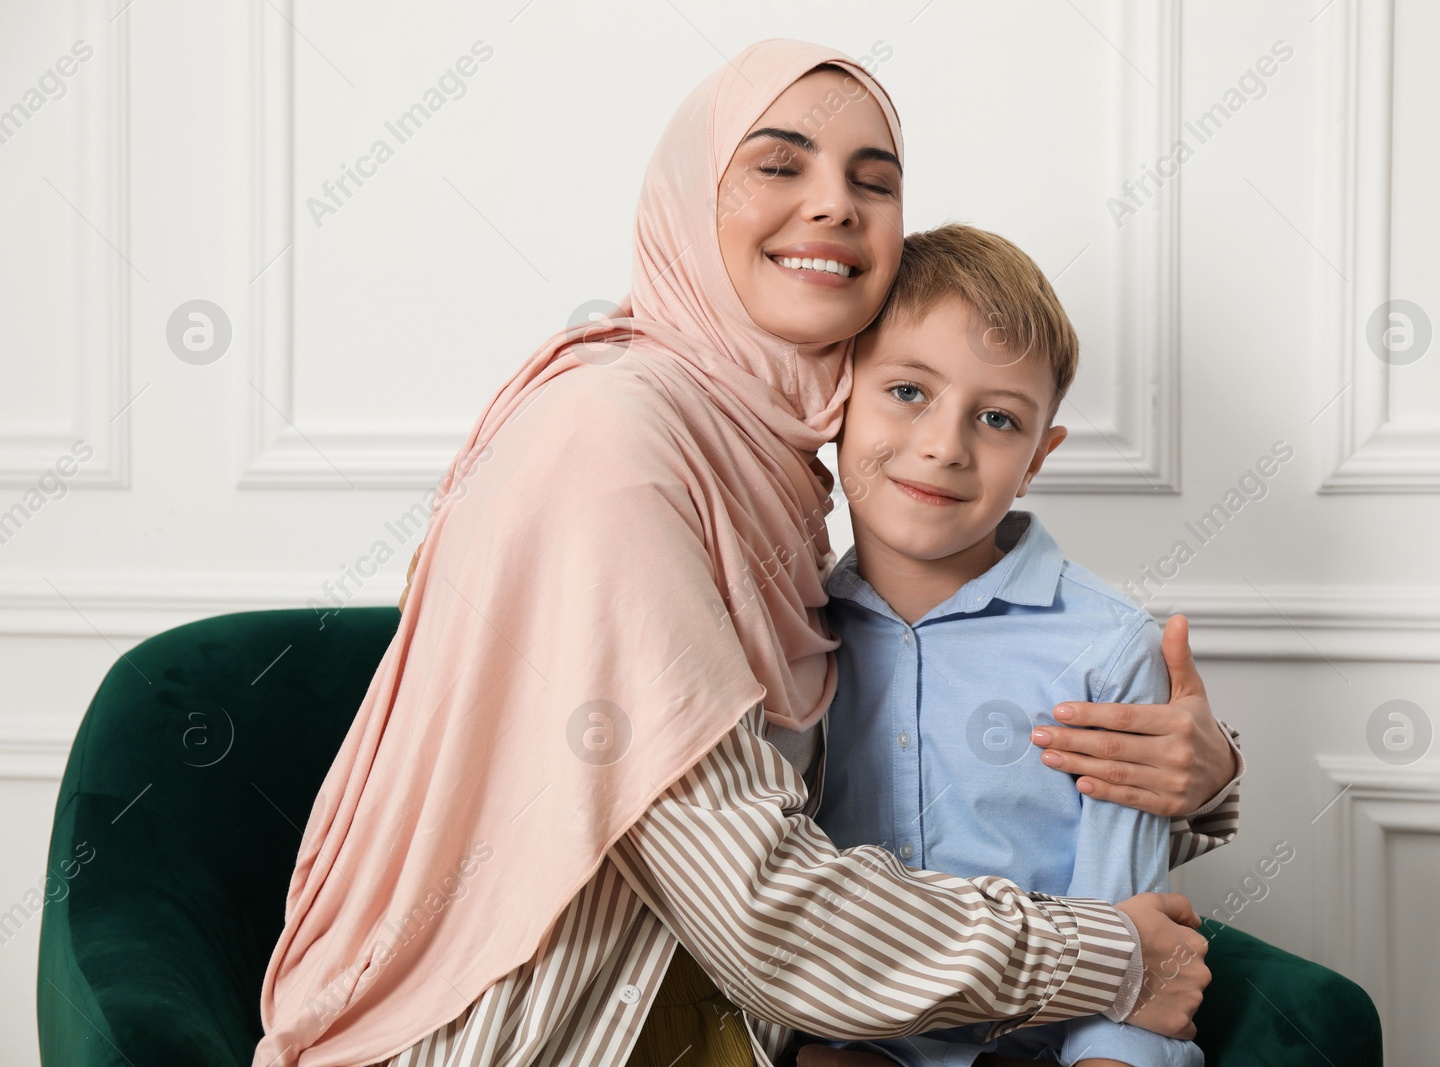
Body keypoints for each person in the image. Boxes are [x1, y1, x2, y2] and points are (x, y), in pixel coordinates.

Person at [253, 40, 1239, 1067]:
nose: (834, 205)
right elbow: (761, 911)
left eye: (875, 180)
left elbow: (928, 738)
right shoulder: (611, 443)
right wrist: (1107, 955)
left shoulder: (771, 475)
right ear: (689, 199)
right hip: (522, 1034)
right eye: (778, 164)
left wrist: (1199, 775)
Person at [793, 224, 1202, 1067]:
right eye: (907, 390)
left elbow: (1133, 942)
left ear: (1036, 460)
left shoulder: (1108, 649)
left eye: (996, 417)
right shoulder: (792, 629)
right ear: (838, 398)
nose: (946, 445)